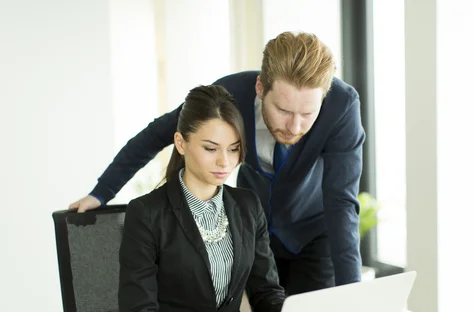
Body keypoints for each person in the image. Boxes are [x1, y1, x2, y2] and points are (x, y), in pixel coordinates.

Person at [71, 31, 365, 294]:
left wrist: (354, 293)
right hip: (256, 231)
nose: (294, 126)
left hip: (313, 233)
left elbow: (341, 201)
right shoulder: (228, 95)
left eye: (307, 115)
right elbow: (157, 134)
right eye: (282, 109)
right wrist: (101, 192)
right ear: (261, 87)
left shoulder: (342, 106)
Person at [118, 85, 285, 312]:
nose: (224, 161)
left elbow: (266, 292)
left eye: (233, 149)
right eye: (210, 148)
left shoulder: (248, 205)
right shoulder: (147, 213)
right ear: (181, 143)